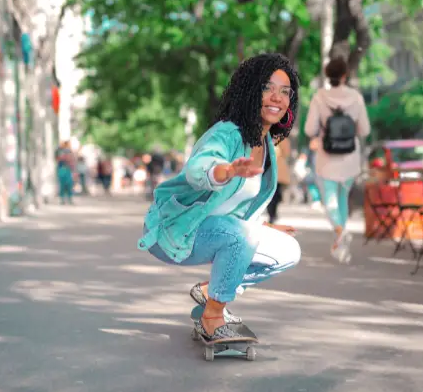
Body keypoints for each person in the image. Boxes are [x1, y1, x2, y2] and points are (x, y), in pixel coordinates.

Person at [137, 53, 302, 341]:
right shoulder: (227, 133)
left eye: (284, 91)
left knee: (288, 250)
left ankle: (208, 292)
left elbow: (239, 205)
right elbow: (198, 168)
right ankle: (212, 316)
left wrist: (262, 226)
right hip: (179, 231)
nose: (277, 97)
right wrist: (224, 171)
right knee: (243, 237)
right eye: (267, 87)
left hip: (220, 231)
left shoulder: (266, 145)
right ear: (251, 91)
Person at [305, 58, 371, 263]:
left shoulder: (319, 97)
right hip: (350, 158)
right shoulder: (356, 98)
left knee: (330, 200)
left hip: (327, 158)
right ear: (344, 75)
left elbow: (309, 130)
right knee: (341, 199)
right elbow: (365, 130)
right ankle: (341, 244)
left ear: (328, 75)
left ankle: (340, 232)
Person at [266, 137, 291, 223]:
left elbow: (286, 153)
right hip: (269, 171)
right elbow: (287, 153)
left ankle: (272, 214)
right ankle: (272, 214)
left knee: (275, 195)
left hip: (277, 172)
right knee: (273, 196)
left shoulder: (282, 138)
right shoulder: (265, 136)